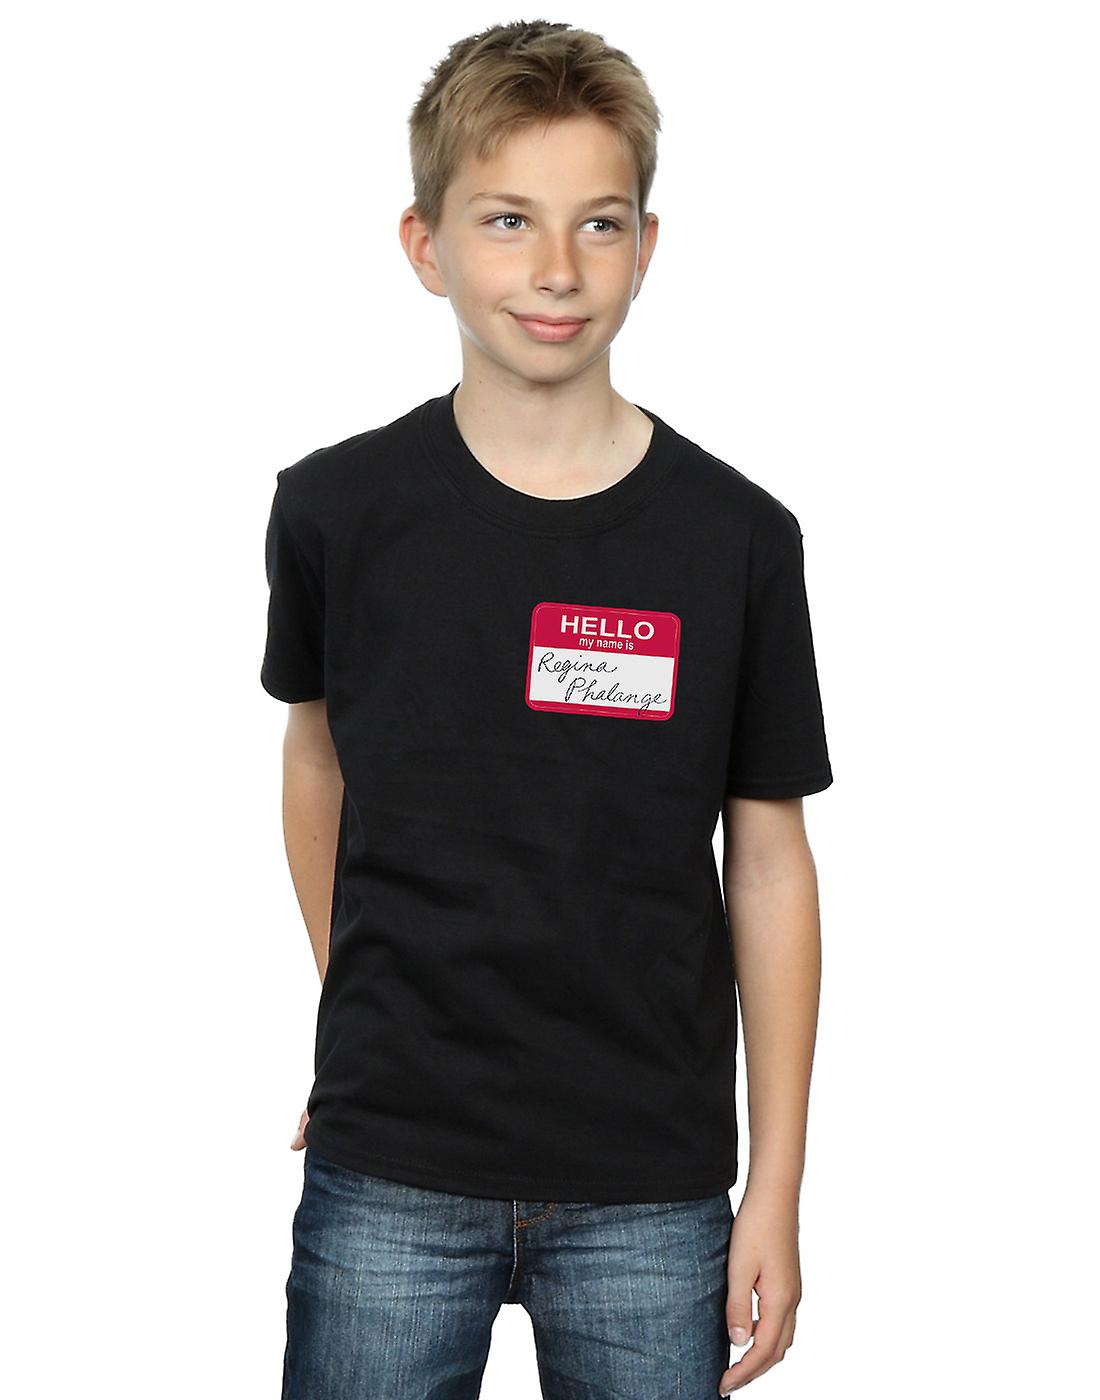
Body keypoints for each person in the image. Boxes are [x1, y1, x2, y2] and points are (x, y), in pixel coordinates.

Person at [262, 20, 834, 1400]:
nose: (558, 269)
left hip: (652, 1187)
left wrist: (776, 1185)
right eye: (508, 220)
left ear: (648, 244)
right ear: (426, 245)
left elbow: (768, 862)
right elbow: (317, 762)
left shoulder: (737, 541)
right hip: (391, 1168)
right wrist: (361, 1012)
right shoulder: (335, 512)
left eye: (600, 222)